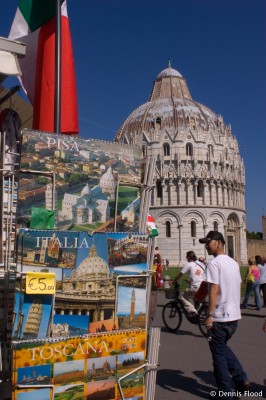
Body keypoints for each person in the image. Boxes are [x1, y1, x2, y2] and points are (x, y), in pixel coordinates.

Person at [199, 230, 249, 398]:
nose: (206, 245)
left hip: (220, 317)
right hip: (234, 317)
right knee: (222, 348)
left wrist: (210, 315)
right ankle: (241, 379)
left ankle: (225, 393)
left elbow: (214, 289)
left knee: (218, 355)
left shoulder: (214, 263)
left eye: (209, 242)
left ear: (219, 243)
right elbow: (237, 285)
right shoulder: (234, 263)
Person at [173, 250, 205, 315]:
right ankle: (199, 312)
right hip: (203, 287)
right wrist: (189, 281)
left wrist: (173, 281)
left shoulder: (189, 264)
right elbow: (198, 275)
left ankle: (192, 310)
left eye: (186, 257)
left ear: (189, 258)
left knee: (181, 296)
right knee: (195, 297)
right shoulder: (200, 264)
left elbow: (180, 275)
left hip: (196, 287)